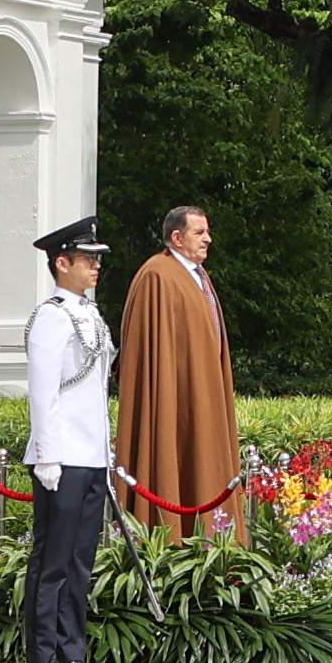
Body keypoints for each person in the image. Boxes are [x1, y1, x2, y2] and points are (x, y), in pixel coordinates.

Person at [17, 217, 121, 663]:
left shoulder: (88, 315)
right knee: (52, 561)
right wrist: (47, 455)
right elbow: (44, 393)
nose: (95, 266)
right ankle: (42, 661)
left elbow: (94, 394)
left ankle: (71, 655)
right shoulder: (51, 317)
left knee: (80, 561)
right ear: (63, 263)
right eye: (86, 259)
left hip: (90, 454)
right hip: (61, 456)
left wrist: (105, 452)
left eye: (97, 258)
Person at [118, 203, 239, 538]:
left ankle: (212, 541)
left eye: (207, 232)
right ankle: (170, 538)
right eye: (199, 232)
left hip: (202, 394)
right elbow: (152, 356)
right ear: (176, 237)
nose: (208, 239)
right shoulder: (158, 275)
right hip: (174, 399)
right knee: (175, 459)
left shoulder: (198, 276)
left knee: (205, 463)